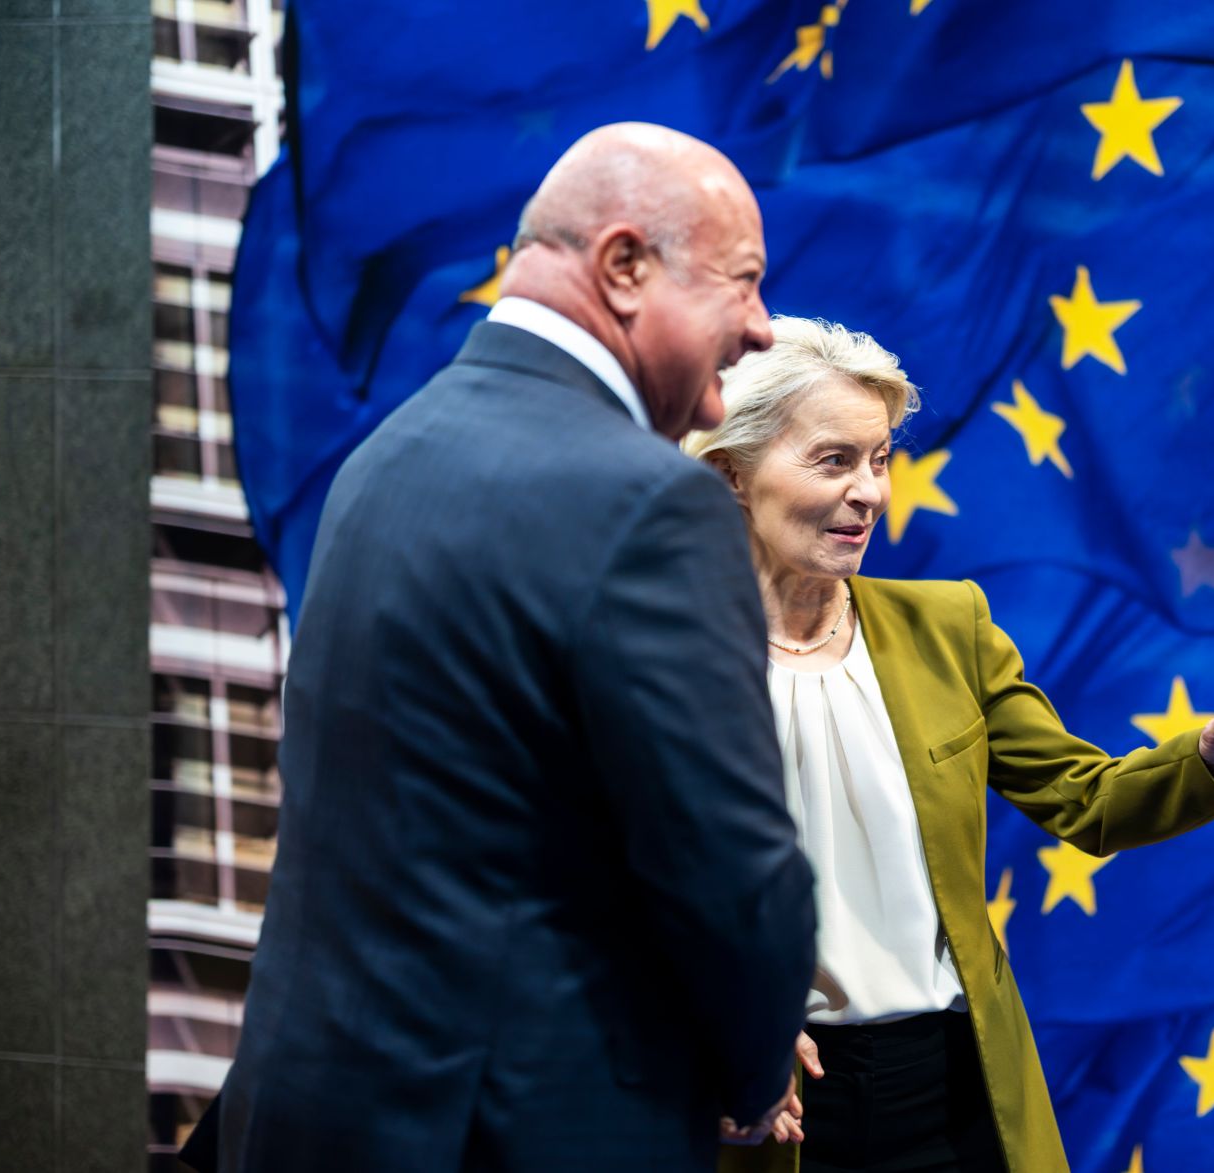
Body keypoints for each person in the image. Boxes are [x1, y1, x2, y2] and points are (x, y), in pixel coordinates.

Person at [182, 124, 817, 1173]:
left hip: (319, 1115)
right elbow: (735, 881)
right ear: (622, 267)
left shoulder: (386, 457)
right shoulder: (652, 505)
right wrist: (751, 1077)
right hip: (514, 1129)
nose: (759, 327)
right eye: (742, 282)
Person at [684, 317, 1214, 1173]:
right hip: (765, 1105)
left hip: (951, 1092)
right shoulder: (652, 662)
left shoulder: (950, 626)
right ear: (729, 476)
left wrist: (1208, 764)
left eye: (878, 459)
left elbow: (1084, 798)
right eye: (834, 460)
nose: (869, 492)